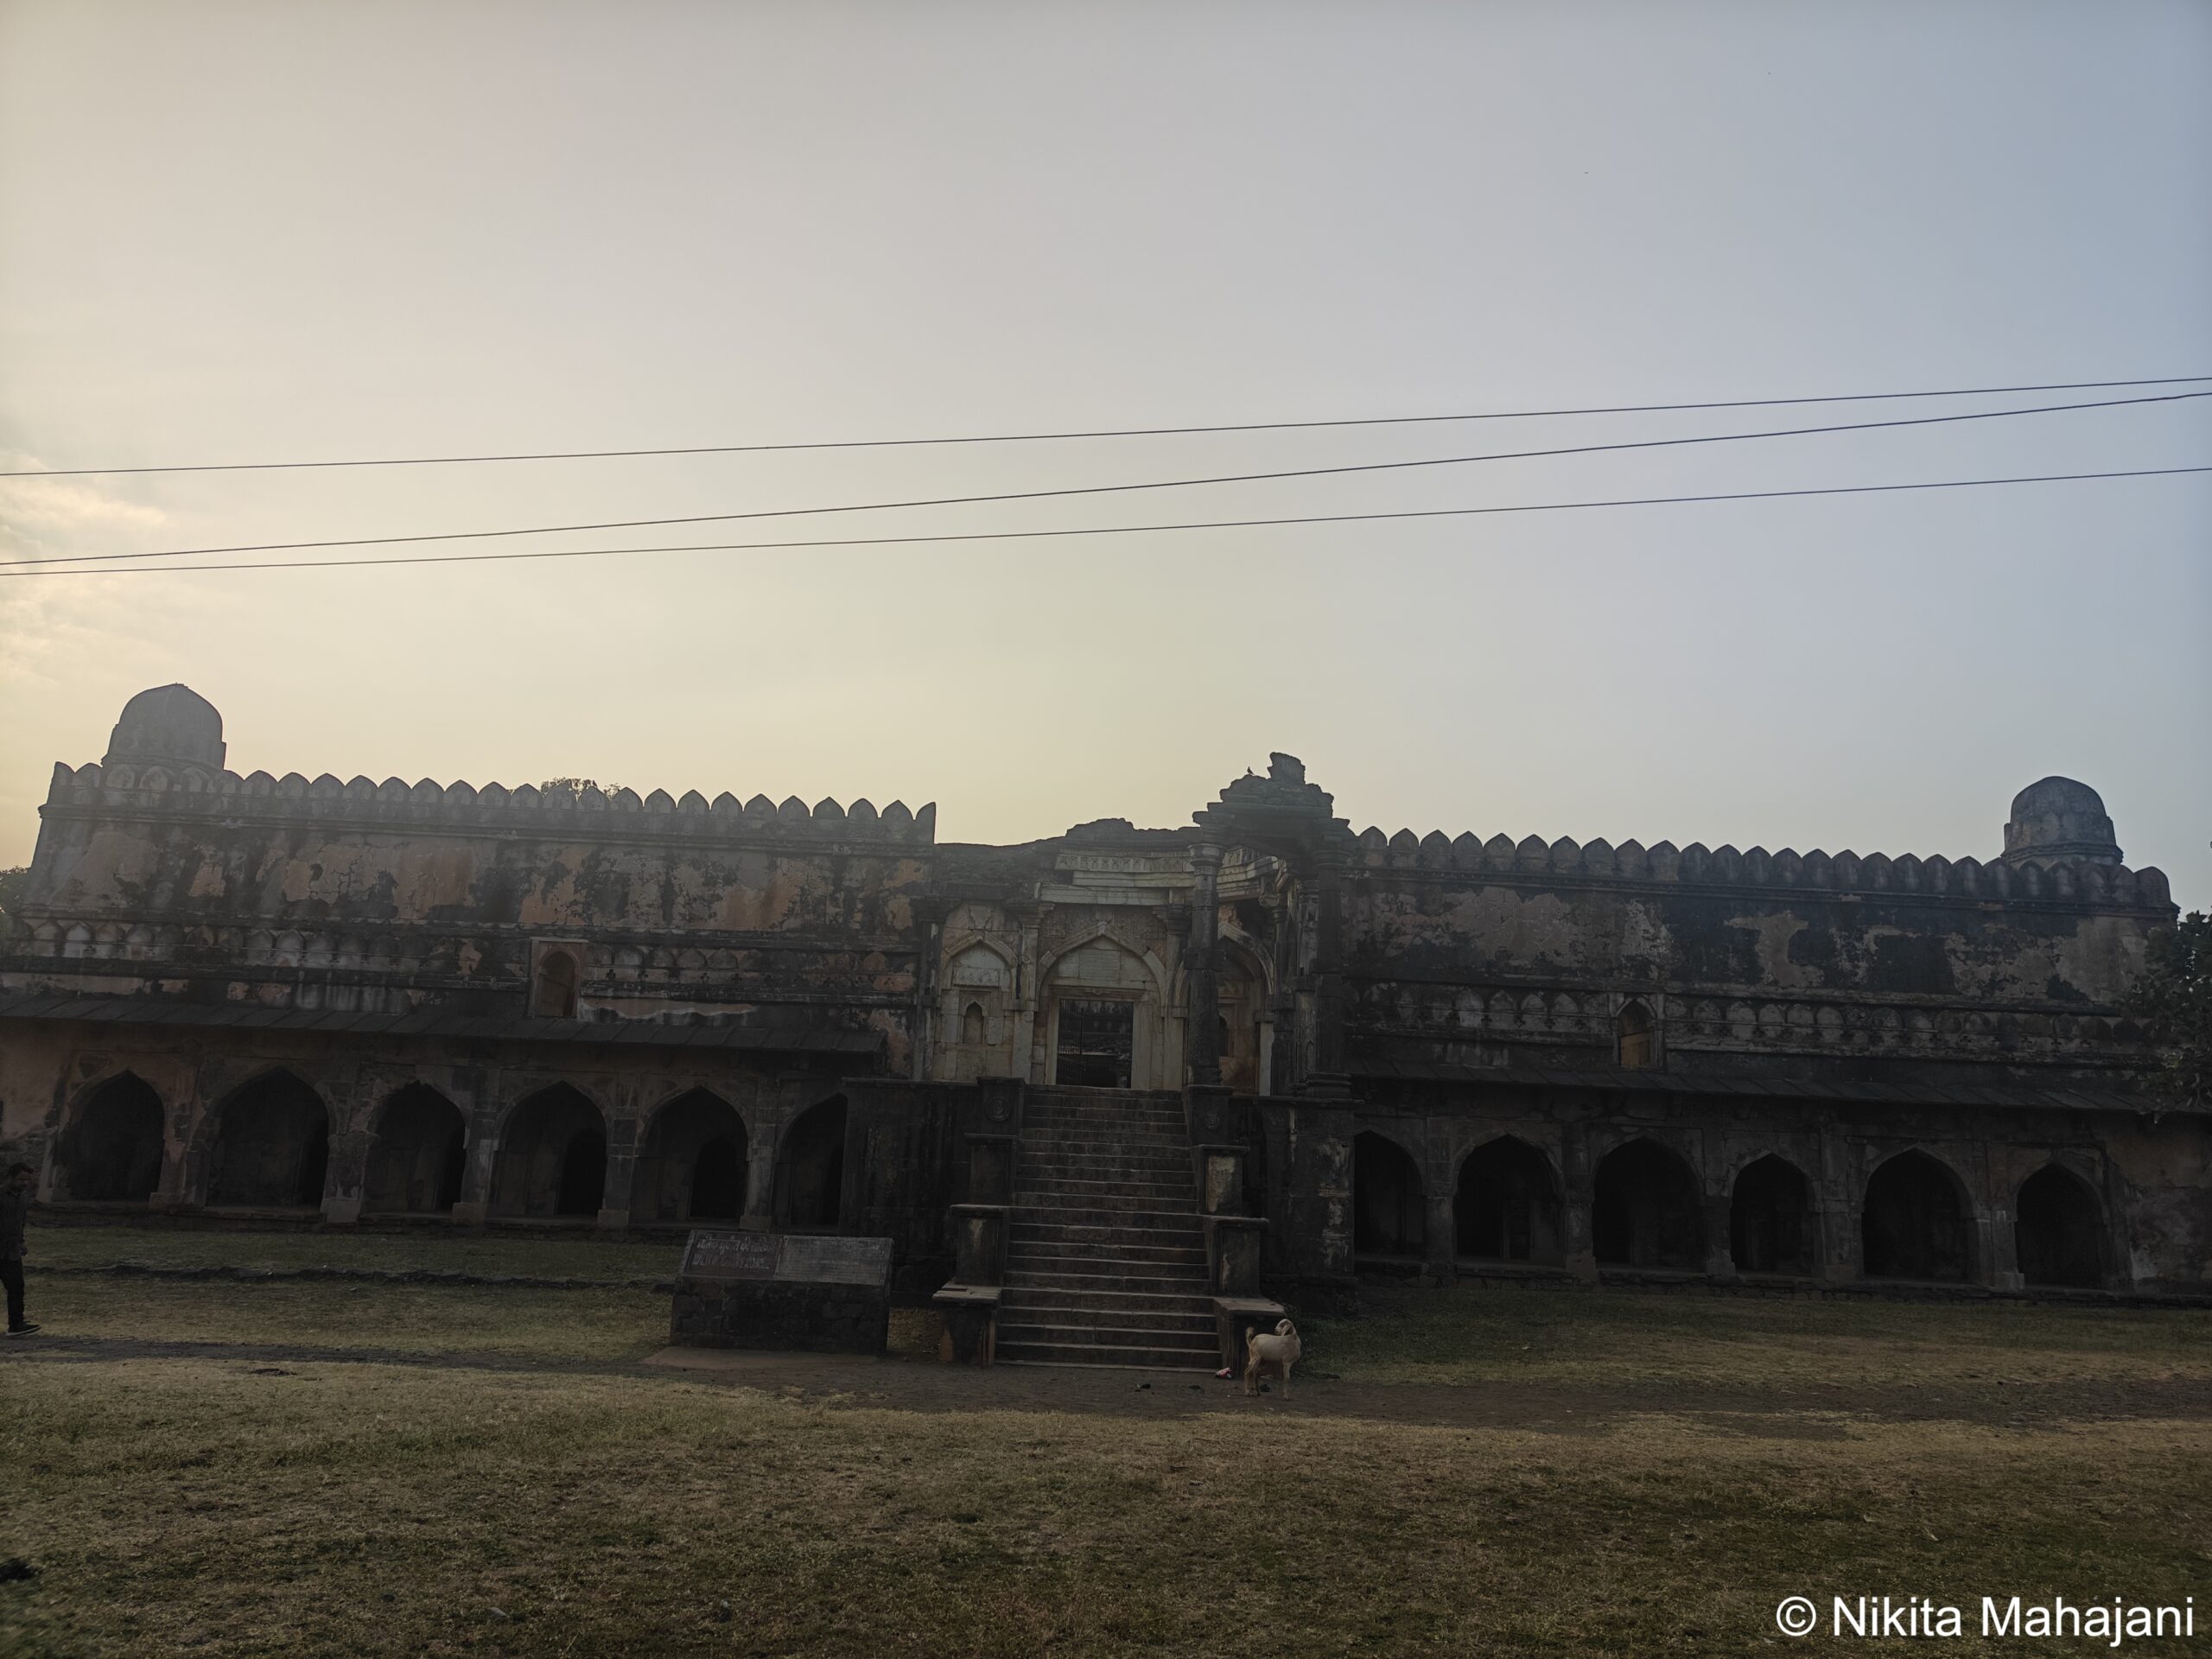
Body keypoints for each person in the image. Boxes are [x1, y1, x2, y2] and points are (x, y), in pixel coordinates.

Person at [1, 1160, 37, 1336]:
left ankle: (16, 1324)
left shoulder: (22, 1198)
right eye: (21, 1179)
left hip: (11, 1252)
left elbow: (19, 1222)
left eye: (27, 1180)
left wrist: (21, 1242)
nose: (24, 1184)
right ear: (10, 1177)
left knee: (16, 1287)